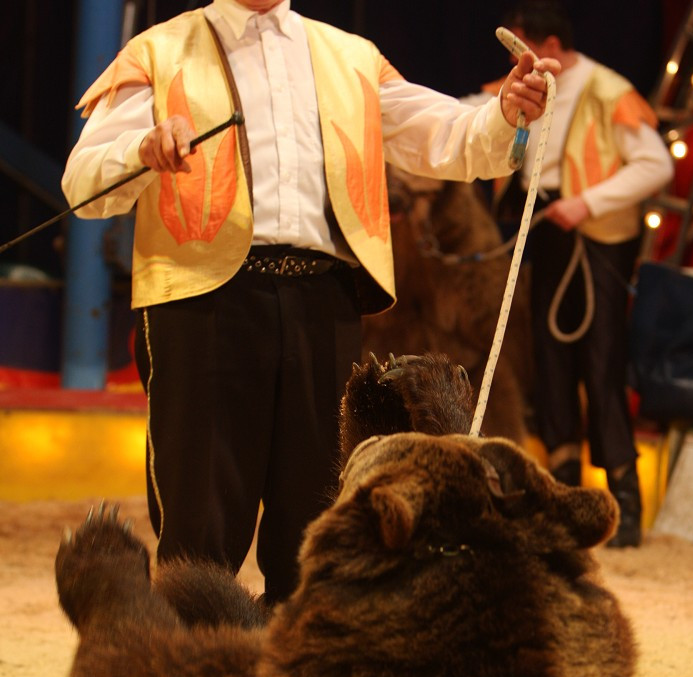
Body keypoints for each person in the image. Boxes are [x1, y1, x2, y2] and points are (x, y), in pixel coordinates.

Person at [62, 0, 557, 602]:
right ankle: (196, 667)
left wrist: (505, 113)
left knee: (316, 512)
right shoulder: (159, 51)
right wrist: (141, 149)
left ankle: (300, 668)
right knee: (201, 514)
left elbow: (448, 139)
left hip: (323, 300)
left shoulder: (347, 55)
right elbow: (84, 184)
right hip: (203, 299)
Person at [485, 1, 674, 547]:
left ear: (545, 46)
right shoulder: (524, 86)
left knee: (600, 359)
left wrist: (587, 203)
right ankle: (561, 497)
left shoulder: (608, 90)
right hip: (546, 230)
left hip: (596, 242)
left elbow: (655, 163)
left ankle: (626, 503)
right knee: (548, 357)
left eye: (521, 46)